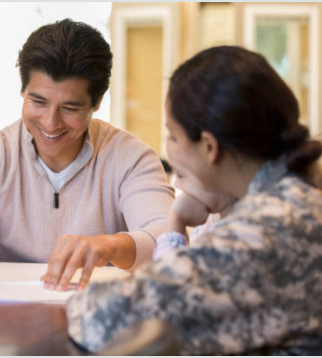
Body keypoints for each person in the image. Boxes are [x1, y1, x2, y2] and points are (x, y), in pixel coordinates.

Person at [66, 46, 322, 355]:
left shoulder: (268, 229)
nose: (169, 148)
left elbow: (108, 318)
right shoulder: (299, 195)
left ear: (209, 147)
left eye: (172, 136)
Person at [0, 19, 174, 289]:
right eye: (37, 101)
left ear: (97, 103)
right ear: (23, 91)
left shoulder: (131, 158)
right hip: (4, 319)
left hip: (100, 314)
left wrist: (109, 245)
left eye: (70, 108)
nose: (51, 123)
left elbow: (169, 243)